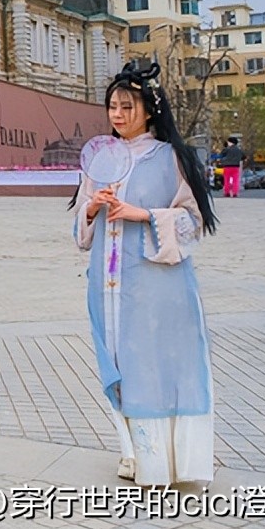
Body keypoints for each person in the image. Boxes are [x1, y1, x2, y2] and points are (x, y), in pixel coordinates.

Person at [72, 62, 218, 486]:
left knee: (157, 368)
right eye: (112, 107)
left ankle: (167, 464)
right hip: (108, 288)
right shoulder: (100, 159)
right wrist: (92, 208)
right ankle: (132, 453)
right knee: (118, 365)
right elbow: (81, 232)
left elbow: (193, 222)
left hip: (158, 289)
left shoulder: (172, 158)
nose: (117, 115)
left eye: (127, 107)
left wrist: (145, 215)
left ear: (150, 110)